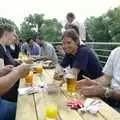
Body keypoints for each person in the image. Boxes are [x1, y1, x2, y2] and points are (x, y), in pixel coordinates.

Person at [77, 47, 120, 112]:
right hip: (112, 98)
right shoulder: (116, 51)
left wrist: (105, 92)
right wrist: (92, 82)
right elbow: (107, 77)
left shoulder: (83, 51)